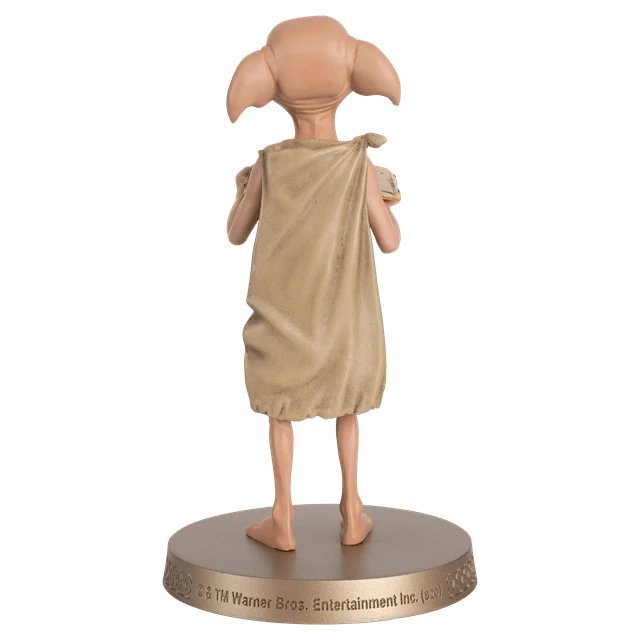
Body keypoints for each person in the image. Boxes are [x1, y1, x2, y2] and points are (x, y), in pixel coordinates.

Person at [226, 16, 402, 551]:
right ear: (347, 85)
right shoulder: (358, 164)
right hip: (345, 318)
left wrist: (244, 188)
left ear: (277, 91)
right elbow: (390, 243)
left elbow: (235, 234)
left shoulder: (270, 164)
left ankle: (283, 519)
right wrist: (386, 197)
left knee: (282, 410)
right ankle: (352, 512)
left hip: (283, 316)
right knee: (348, 408)